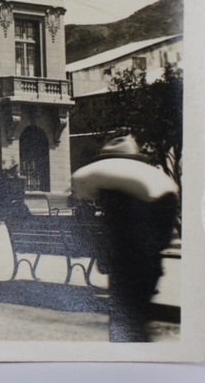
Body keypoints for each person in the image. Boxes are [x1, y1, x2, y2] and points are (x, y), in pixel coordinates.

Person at [72, 135, 179, 342]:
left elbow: (109, 229)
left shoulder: (112, 190)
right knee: (132, 322)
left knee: (126, 324)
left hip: (124, 264)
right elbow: (162, 231)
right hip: (141, 264)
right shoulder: (153, 190)